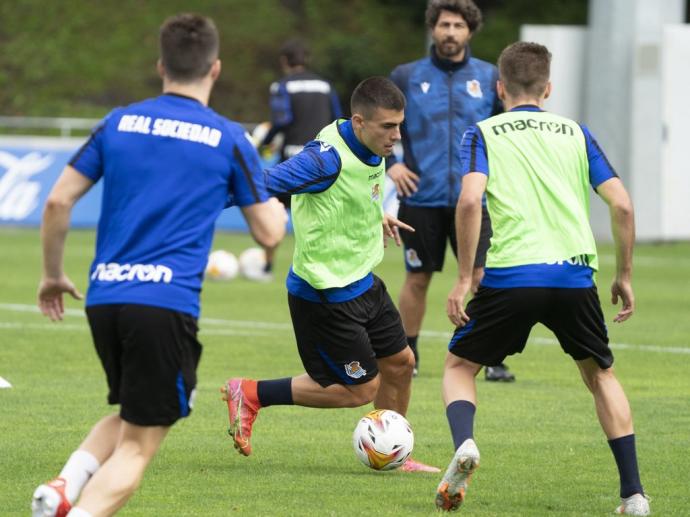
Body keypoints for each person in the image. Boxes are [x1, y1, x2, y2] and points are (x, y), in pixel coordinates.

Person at [32, 14, 286, 517]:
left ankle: (64, 485)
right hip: (163, 305)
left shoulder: (119, 122)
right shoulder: (228, 138)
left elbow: (57, 203)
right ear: (215, 69)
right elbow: (269, 233)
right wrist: (274, 203)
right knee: (139, 446)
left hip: (104, 299)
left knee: (133, 417)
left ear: (160, 65)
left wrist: (53, 275)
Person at [435, 42, 649, 516]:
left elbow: (470, 202)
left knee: (457, 367)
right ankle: (633, 495)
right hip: (574, 276)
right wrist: (625, 274)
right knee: (601, 376)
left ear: (499, 88)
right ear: (548, 88)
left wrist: (465, 278)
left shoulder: (483, 131)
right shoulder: (576, 132)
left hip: (512, 274)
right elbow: (623, 204)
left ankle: (465, 445)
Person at [221, 76, 438, 473]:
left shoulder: (369, 142)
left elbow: (355, 188)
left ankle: (394, 454)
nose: (396, 135)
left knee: (402, 363)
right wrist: (191, 200)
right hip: (325, 294)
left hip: (363, 281)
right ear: (358, 122)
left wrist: (374, 214)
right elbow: (263, 183)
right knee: (359, 389)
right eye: (387, 127)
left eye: (399, 125)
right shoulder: (324, 159)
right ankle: (251, 393)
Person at [388, 0, 512, 381]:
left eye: (458, 25)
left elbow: (505, 134)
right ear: (433, 28)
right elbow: (379, 124)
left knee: (480, 278)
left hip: (472, 198)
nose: (451, 32)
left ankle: (489, 355)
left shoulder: (490, 77)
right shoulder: (407, 76)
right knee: (418, 277)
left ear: (470, 31)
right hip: (420, 197)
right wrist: (391, 163)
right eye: (444, 25)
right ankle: (408, 356)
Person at [248, 38, 342, 281]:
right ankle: (327, 270)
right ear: (306, 59)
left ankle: (267, 267)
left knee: (274, 209)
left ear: (284, 62)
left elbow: (281, 120)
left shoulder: (282, 86)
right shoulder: (325, 85)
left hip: (294, 159)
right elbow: (338, 119)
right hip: (324, 160)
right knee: (324, 216)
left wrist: (261, 144)